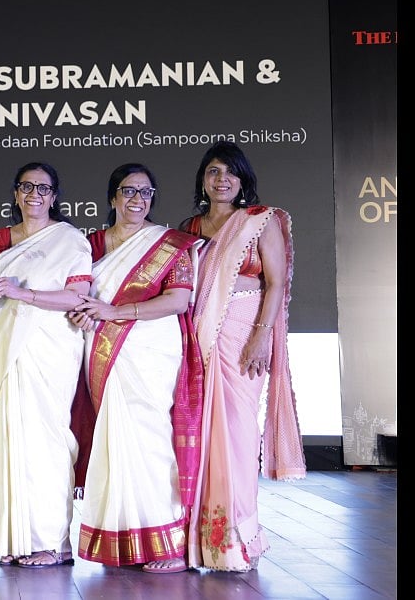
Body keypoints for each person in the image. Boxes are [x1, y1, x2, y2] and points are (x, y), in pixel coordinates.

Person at [67, 163, 204, 573]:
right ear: (112, 198)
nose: (137, 200)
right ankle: (125, 542)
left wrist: (115, 311)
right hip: (104, 350)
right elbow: (75, 294)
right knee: (113, 442)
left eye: (145, 193)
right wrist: (82, 313)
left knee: (150, 440)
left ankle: (168, 544)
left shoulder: (170, 244)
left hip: (149, 349)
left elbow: (178, 301)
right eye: (128, 191)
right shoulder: (89, 244)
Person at [0, 161, 94, 569]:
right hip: (2, 342)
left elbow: (76, 298)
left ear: (54, 196)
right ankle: (16, 540)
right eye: (27, 187)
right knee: (7, 439)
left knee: (47, 439)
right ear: (16, 194)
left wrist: (25, 293)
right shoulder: (0, 240)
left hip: (49, 346)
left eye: (44, 188)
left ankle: (54, 541)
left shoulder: (70, 241)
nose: (35, 194)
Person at [179, 140, 306, 572]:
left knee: (236, 435)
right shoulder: (190, 228)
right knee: (200, 437)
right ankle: (199, 541)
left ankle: (234, 540)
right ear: (202, 178)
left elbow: (275, 283)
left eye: (230, 172)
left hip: (243, 336)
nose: (221, 180)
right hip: (197, 338)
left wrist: (260, 338)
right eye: (213, 171)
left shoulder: (259, 222)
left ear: (242, 180)